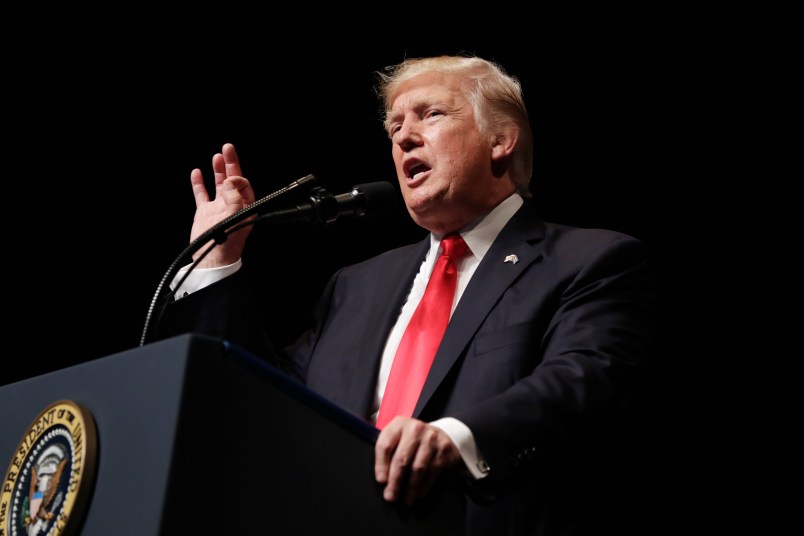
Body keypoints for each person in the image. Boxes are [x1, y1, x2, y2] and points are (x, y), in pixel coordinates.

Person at [157, 55, 655, 535]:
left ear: (501, 140)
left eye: (431, 114)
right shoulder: (354, 286)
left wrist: (456, 438)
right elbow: (263, 401)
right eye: (394, 128)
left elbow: (584, 378)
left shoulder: (589, 260)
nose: (403, 137)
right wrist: (217, 261)